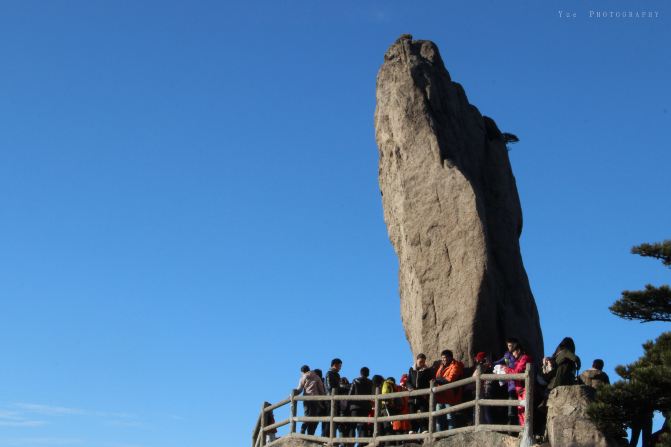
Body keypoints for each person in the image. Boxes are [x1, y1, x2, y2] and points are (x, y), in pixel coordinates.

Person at [434, 350, 464, 431]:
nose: (443, 359)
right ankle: (439, 437)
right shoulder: (441, 366)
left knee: (450, 417)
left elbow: (450, 379)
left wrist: (437, 380)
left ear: (450, 357)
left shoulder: (455, 365)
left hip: (450, 396)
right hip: (440, 395)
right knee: (438, 417)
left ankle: (450, 437)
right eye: (442, 358)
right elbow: (438, 377)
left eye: (445, 358)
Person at [494, 337, 520, 425]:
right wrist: (491, 364)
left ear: (515, 344)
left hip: (519, 384)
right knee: (511, 405)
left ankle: (515, 424)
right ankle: (511, 424)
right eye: (508, 345)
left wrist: (507, 368)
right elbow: (500, 361)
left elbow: (518, 367)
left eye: (510, 345)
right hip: (510, 384)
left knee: (517, 406)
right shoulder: (507, 354)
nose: (509, 347)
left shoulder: (519, 354)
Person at [504, 345, 532, 427]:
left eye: (514, 352)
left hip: (525, 388)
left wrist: (507, 370)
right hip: (519, 390)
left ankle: (526, 429)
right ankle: (523, 429)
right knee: (520, 411)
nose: (513, 354)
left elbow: (517, 371)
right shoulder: (517, 361)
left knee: (525, 410)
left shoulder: (525, 358)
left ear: (518, 350)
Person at [406, 353, 434, 433]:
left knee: (423, 413)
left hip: (422, 396)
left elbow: (430, 381)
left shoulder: (427, 370)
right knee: (412, 414)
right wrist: (410, 387)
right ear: (417, 360)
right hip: (412, 397)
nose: (422, 363)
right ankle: (412, 429)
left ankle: (424, 429)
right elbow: (408, 381)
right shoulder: (411, 369)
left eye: (423, 362)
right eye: (420, 361)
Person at [295, 364, 325, 436]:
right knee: (314, 416)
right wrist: (323, 398)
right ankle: (310, 434)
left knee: (307, 414)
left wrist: (293, 394)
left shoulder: (303, 377)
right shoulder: (317, 377)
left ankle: (302, 430)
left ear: (302, 371)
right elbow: (321, 389)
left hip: (306, 399)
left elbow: (299, 389)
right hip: (315, 399)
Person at [349, 367, 373, 447]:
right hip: (366, 407)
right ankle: (361, 444)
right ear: (368, 374)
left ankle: (351, 443)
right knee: (363, 425)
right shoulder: (370, 382)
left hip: (355, 406)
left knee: (353, 425)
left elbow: (350, 394)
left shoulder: (355, 381)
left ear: (360, 373)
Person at [472, 352, 494, 425]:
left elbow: (474, 377)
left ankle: (489, 428)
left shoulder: (485, 366)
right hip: (481, 390)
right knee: (480, 411)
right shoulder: (483, 366)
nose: (477, 361)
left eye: (478, 360)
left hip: (485, 391)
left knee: (486, 411)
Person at [323, 358, 343, 438]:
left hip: (336, 399)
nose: (340, 368)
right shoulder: (329, 373)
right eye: (340, 366)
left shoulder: (336, 374)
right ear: (335, 365)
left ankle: (331, 436)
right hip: (330, 399)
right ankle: (327, 437)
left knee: (334, 419)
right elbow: (329, 387)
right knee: (330, 418)